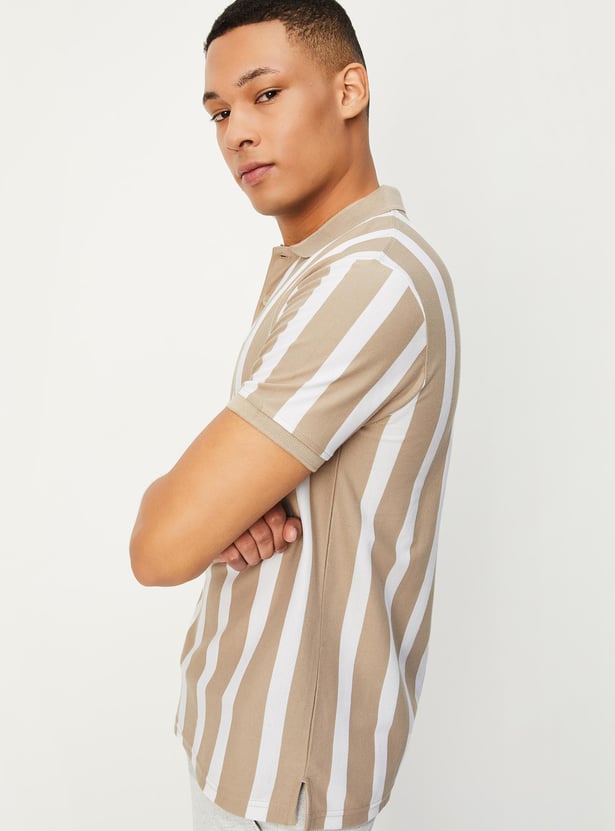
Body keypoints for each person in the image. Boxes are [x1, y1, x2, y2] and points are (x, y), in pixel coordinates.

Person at [129, 1, 460, 829]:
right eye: (218, 113)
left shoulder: (370, 277)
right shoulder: (317, 267)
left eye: (264, 94)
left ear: (349, 90)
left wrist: (197, 513)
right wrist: (222, 513)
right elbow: (205, 521)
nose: (236, 132)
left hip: (282, 777)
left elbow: (159, 546)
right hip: (237, 734)